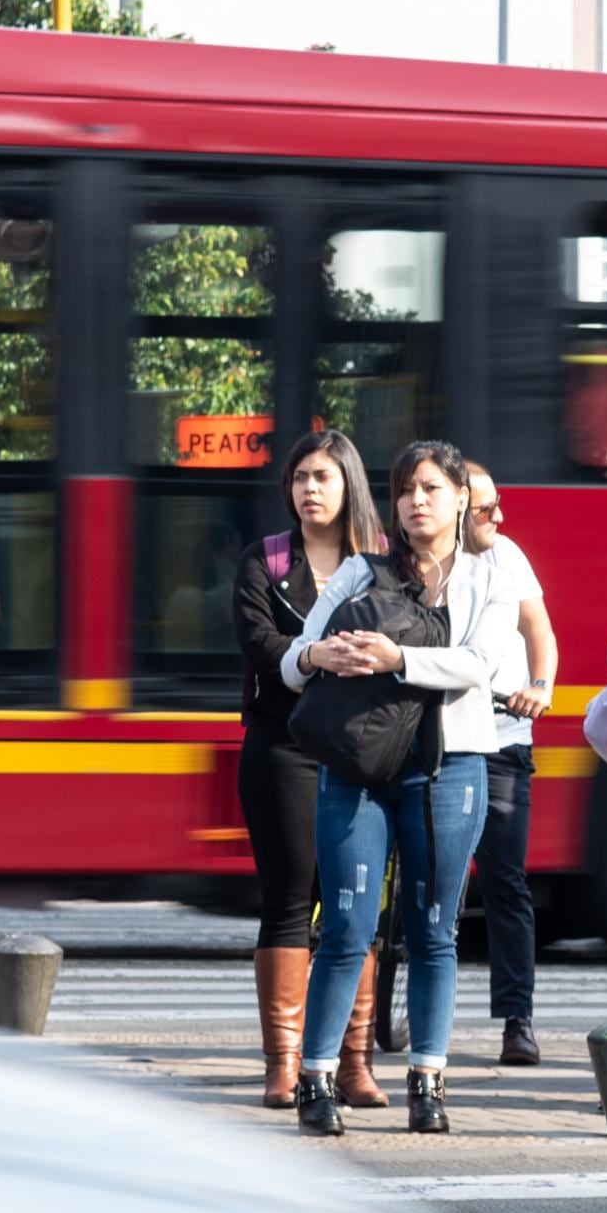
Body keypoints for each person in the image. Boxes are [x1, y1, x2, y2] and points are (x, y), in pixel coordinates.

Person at [282, 441, 503, 1136]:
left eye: (431, 488)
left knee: (434, 931)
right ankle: (315, 1080)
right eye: (406, 490)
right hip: (356, 764)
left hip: (450, 765)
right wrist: (317, 654)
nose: (416, 501)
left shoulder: (486, 575)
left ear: (461, 498)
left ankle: (427, 1083)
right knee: (346, 928)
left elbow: (481, 664)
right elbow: (292, 660)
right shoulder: (360, 570)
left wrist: (396, 657)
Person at [233, 429, 381, 1106]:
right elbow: (260, 645)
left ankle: (353, 1064)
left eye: (323, 477)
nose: (309, 489)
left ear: (349, 484)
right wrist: (317, 654)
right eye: (300, 478)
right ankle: (284, 1064)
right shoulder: (264, 561)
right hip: (282, 745)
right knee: (289, 899)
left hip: (360, 748)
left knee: (355, 904)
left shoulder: (380, 563)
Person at [458, 462, 558, 1068]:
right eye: (485, 509)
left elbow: (538, 630)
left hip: (501, 735)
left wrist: (540, 686)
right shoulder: (409, 562)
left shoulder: (507, 556)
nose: (499, 516)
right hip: (437, 735)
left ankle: (518, 1020)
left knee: (505, 882)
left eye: (499, 503)